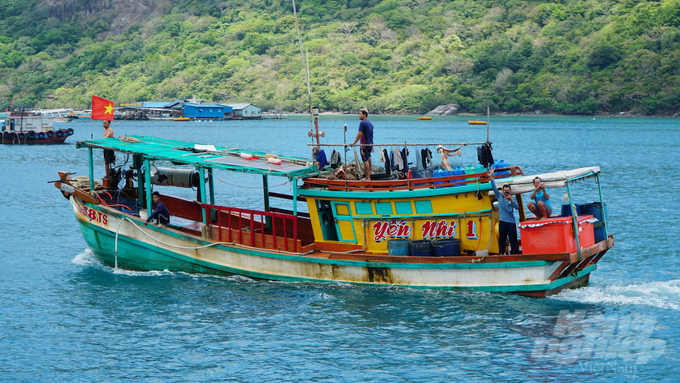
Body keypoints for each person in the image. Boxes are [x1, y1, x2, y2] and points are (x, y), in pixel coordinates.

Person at [489, 168, 520, 255]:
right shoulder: (500, 197)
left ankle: (514, 254)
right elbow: (494, 187)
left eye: (507, 190)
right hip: (502, 222)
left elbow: (517, 207)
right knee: (502, 238)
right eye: (505, 190)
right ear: (502, 191)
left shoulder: (512, 198)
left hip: (511, 222)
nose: (506, 191)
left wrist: (511, 199)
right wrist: (491, 176)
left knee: (513, 239)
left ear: (510, 191)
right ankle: (501, 253)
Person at [350, 108, 374, 181]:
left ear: (364, 114)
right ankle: (370, 171)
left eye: (360, 114)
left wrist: (354, 142)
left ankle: (368, 177)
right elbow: (371, 135)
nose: (359, 115)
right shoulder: (370, 123)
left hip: (364, 144)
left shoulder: (362, 123)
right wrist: (372, 145)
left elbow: (359, 134)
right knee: (369, 157)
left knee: (365, 159)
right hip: (369, 144)